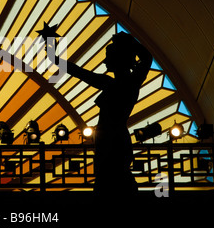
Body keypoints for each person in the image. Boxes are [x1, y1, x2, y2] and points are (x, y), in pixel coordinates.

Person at [47, 31, 152, 195]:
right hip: (113, 139)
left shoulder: (122, 83)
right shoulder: (127, 83)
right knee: (114, 181)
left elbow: (76, 71)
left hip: (112, 141)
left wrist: (51, 51)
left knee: (109, 182)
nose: (104, 61)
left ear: (119, 58)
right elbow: (146, 58)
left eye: (109, 56)